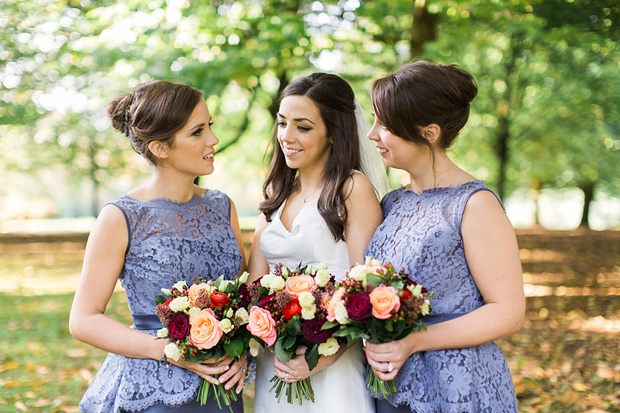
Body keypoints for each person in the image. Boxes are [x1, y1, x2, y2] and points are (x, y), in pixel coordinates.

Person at [69, 80, 248, 412]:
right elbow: (83, 319)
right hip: (154, 391)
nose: (213, 140)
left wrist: (243, 350)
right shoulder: (121, 216)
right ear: (160, 148)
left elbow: (242, 297)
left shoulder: (224, 207)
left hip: (222, 388)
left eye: (210, 126)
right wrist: (170, 350)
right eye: (197, 132)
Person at [363, 61, 525, 412]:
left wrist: (413, 341)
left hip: (458, 387)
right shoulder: (393, 203)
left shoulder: (474, 204)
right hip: (393, 382)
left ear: (429, 133)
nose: (372, 134)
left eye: (385, 125)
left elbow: (508, 311)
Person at [247, 73, 389, 413]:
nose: (286, 136)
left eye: (303, 127)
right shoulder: (275, 193)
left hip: (335, 364)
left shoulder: (352, 190)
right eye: (282, 123)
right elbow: (253, 286)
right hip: (277, 362)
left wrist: (322, 358)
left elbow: (366, 288)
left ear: (332, 134)